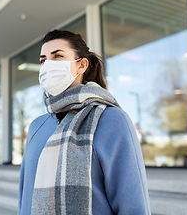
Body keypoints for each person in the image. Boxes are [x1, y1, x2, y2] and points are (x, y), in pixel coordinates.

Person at [18, 30, 151, 215]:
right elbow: (25, 200)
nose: (48, 65)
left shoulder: (112, 119)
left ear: (81, 65)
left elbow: (133, 206)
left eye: (57, 56)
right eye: (43, 60)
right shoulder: (36, 126)